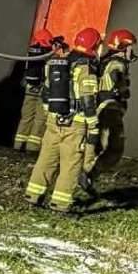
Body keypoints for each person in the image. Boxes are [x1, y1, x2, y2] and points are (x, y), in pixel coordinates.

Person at [24, 27, 100, 212]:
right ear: (94, 46)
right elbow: (88, 100)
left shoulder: (58, 62)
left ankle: (33, 195)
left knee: (46, 158)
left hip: (53, 120)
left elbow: (45, 93)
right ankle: (60, 203)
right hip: (75, 123)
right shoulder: (86, 68)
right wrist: (93, 126)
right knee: (70, 164)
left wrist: (50, 115)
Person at [84, 28, 137, 179]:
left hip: (103, 108)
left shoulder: (105, 60)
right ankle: (89, 173)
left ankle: (86, 173)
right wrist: (122, 89)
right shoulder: (117, 63)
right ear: (122, 46)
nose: (132, 51)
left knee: (97, 145)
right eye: (130, 47)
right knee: (114, 148)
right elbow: (115, 74)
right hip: (110, 109)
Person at [13, 27, 58, 152]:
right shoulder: (50, 55)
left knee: (26, 117)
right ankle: (32, 147)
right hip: (43, 90)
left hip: (30, 89)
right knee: (40, 119)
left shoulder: (30, 53)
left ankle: (18, 144)